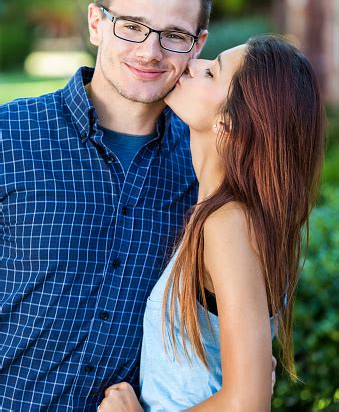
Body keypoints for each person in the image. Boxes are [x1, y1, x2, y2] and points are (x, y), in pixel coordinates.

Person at [0, 0, 276, 410]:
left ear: (198, 44)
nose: (149, 52)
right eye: (131, 26)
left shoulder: (210, 176)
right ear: (96, 23)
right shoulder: (9, 137)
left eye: (173, 35)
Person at [98, 36, 325, 411]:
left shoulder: (228, 224)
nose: (192, 64)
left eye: (212, 72)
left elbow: (248, 402)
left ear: (230, 122)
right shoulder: (226, 214)